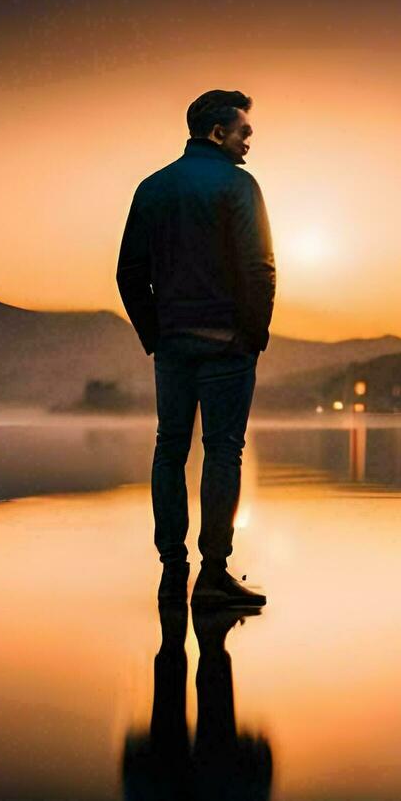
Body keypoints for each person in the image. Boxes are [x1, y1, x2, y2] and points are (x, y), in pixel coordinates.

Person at [117, 89, 274, 606]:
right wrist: (253, 336)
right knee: (223, 452)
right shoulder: (238, 185)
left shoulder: (152, 188)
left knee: (170, 449)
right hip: (228, 346)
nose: (249, 140)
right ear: (216, 131)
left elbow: (129, 273)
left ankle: (170, 571)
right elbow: (259, 268)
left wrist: (154, 335)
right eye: (243, 131)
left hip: (173, 345)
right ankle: (212, 574)